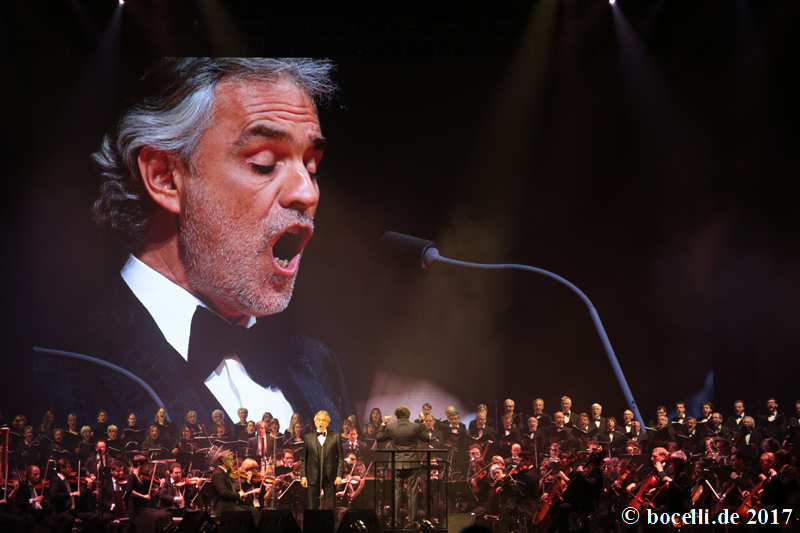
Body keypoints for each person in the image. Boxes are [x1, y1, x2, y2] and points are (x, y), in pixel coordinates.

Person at [28, 58, 354, 430]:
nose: (307, 193)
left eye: (311, 167)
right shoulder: (52, 367)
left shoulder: (317, 363)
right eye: (264, 163)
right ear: (164, 177)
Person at [376, 405, 431, 529]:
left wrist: (383, 424)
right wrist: (422, 424)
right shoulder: (415, 426)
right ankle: (412, 522)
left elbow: (379, 438)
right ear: (408, 415)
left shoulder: (391, 427)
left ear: (396, 416)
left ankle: (396, 522)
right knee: (412, 493)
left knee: (397, 492)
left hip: (396, 463)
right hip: (412, 463)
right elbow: (427, 438)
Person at [301, 410, 344, 510]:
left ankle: (329, 521)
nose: (321, 422)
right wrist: (303, 476)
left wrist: (339, 475)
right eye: (319, 420)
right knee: (313, 507)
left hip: (330, 476)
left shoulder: (335, 437)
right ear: (315, 422)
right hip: (313, 476)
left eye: (323, 420)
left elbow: (341, 458)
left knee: (330, 507)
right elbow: (304, 459)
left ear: (328, 422)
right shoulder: (308, 438)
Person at [124, 455, 174, 532]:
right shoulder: (132, 477)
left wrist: (160, 487)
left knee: (167, 514)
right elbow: (129, 491)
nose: (147, 466)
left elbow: (150, 494)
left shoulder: (144, 477)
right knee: (157, 518)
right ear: (139, 464)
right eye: (145, 464)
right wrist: (143, 496)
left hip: (144, 508)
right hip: (135, 510)